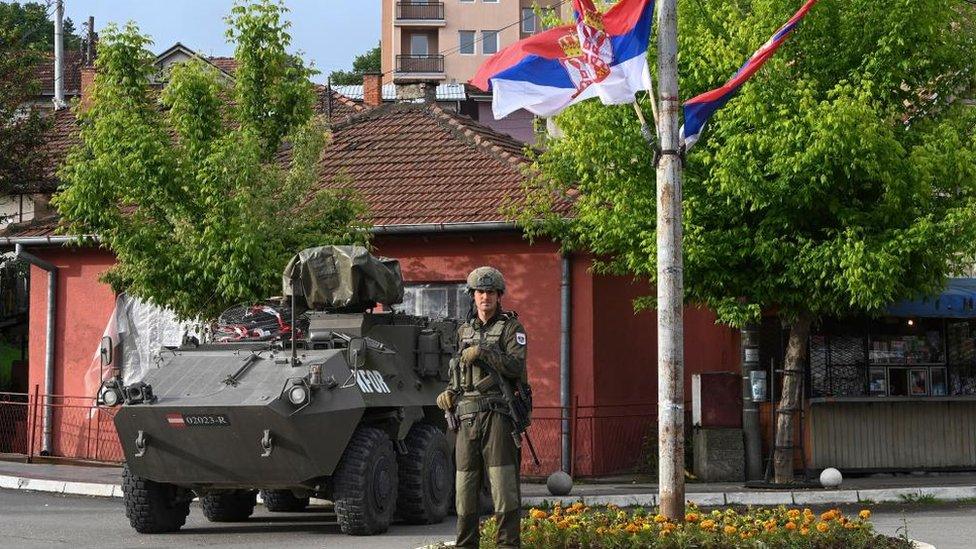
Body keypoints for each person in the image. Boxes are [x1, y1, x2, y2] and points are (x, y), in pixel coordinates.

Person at [436, 266, 528, 548]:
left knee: (503, 489)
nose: (484, 297)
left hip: (498, 415)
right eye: (480, 292)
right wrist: (449, 393)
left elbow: (516, 365)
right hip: (466, 418)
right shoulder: (463, 331)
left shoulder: (512, 328)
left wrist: (484, 352)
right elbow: (457, 372)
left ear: (499, 296)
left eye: (490, 292)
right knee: (464, 489)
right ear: (472, 296)